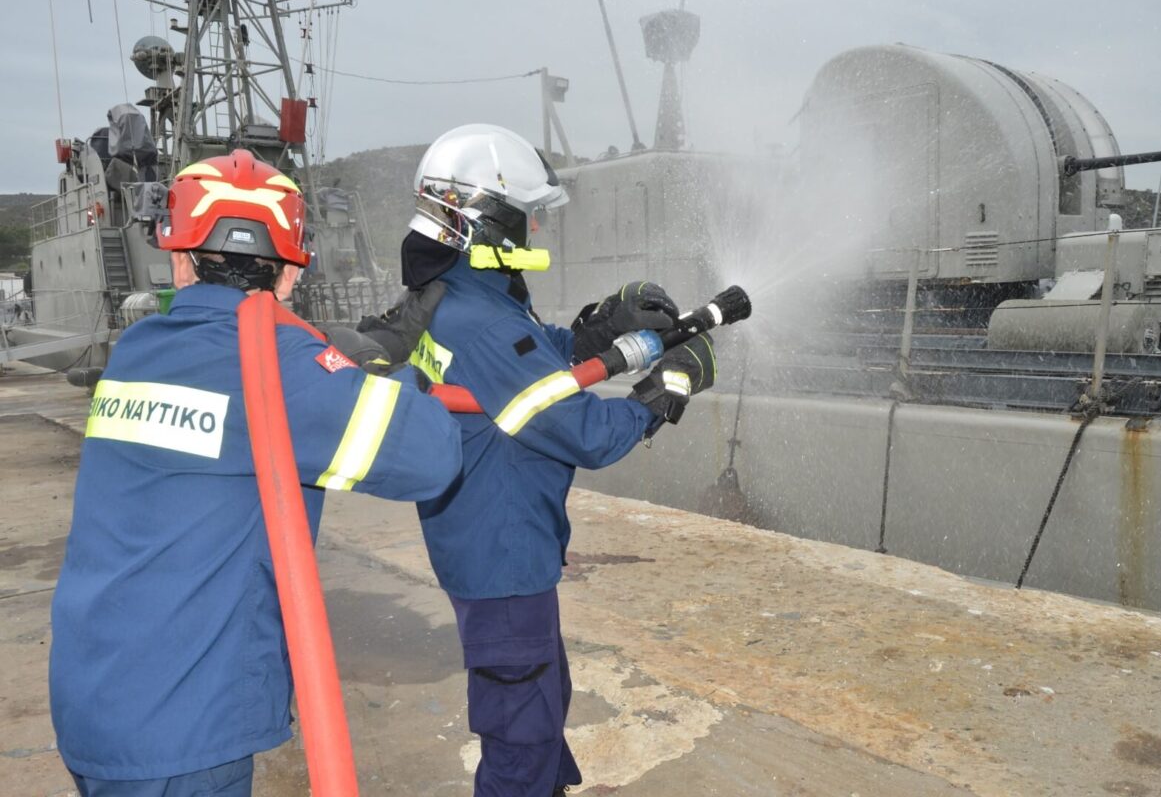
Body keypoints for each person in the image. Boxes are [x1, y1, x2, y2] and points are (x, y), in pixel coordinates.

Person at [49, 149, 462, 796]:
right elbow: (434, 457)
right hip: (181, 729)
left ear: (180, 261)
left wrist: (322, 358)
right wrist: (371, 369)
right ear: (292, 273)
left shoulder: (136, 351)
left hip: (94, 696)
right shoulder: (282, 368)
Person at [397, 124, 717, 796]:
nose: (533, 235)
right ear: (484, 223)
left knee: (539, 705)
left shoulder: (459, 299)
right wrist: (666, 390)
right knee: (523, 735)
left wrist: (604, 327)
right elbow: (582, 432)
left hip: (482, 544)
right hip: (503, 563)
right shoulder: (483, 323)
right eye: (524, 220)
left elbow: (536, 359)